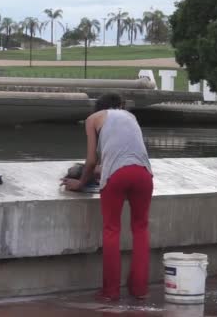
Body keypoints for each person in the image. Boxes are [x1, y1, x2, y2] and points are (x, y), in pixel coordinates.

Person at [62, 93, 153, 301]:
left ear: (98, 108)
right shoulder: (130, 117)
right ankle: (139, 289)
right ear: (120, 105)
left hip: (117, 176)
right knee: (140, 229)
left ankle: (110, 291)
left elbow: (92, 160)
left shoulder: (93, 119)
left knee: (112, 230)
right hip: (144, 174)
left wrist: (80, 183)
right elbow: (128, 151)